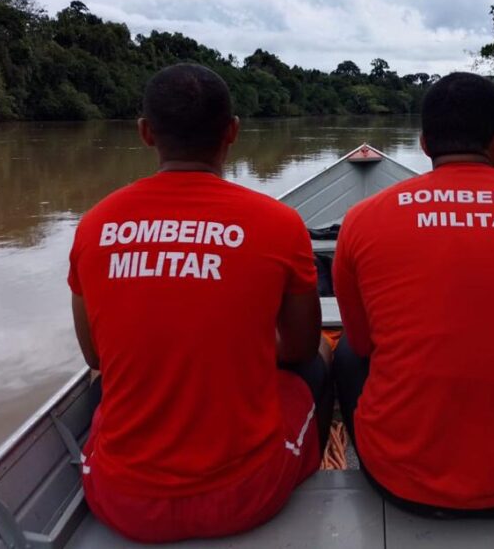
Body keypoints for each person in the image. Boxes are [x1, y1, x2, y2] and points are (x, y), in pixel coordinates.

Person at [68, 63, 332, 543]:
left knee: (104, 391)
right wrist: (241, 345)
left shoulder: (94, 225)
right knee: (321, 362)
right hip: (247, 495)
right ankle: (313, 465)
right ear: (232, 131)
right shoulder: (278, 223)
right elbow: (299, 348)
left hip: (120, 499)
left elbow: (95, 357)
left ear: (145, 133)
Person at [332, 72, 494, 518]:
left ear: (423, 143)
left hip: (400, 481)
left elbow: (362, 344)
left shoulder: (361, 220)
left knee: (343, 356)